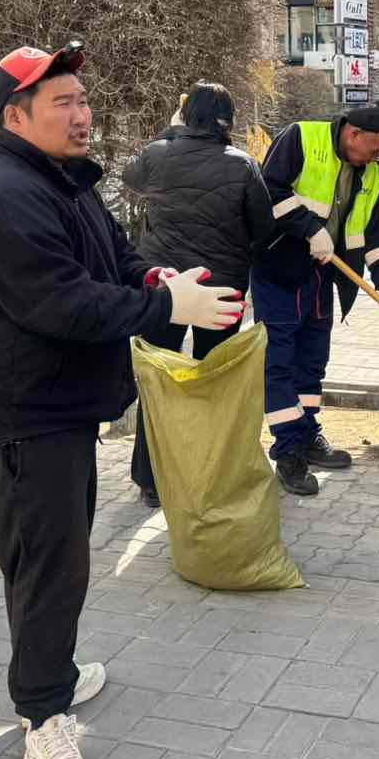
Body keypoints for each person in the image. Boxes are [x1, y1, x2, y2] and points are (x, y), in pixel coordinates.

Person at [0, 42, 242, 759]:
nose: (82, 115)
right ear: (15, 118)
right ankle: (44, 719)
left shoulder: (63, 182)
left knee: (53, 563)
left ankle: (53, 674)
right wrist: (167, 309)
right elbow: (60, 303)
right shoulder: (5, 194)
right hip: (19, 420)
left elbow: (114, 257)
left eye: (82, 99)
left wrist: (154, 278)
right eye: (62, 104)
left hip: (58, 412)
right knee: (50, 572)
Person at [121, 81, 272, 507]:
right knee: (215, 380)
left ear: (185, 115)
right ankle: (206, 475)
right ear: (229, 120)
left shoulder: (157, 156)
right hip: (221, 287)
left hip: (164, 284)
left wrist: (169, 134)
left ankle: (151, 479)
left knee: (158, 378)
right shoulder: (242, 165)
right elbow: (263, 229)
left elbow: (130, 177)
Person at [253, 105, 379, 496]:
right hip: (280, 272)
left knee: (312, 363)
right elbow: (268, 189)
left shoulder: (372, 178)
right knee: (280, 363)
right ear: (353, 134)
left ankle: (306, 434)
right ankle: (287, 452)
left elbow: (374, 236)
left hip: (323, 278)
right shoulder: (302, 138)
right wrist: (308, 229)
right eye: (376, 148)